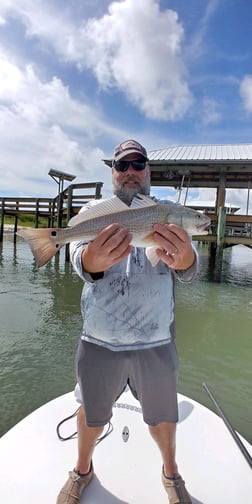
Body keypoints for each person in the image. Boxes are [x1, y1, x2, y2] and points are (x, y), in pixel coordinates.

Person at [57, 139, 197, 504]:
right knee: (91, 413)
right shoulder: (93, 212)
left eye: (139, 164)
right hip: (99, 341)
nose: (131, 171)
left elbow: (188, 265)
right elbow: (79, 262)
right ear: (113, 172)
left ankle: (171, 473)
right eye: (123, 165)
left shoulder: (167, 211)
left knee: (163, 416)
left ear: (148, 170)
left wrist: (183, 259)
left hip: (156, 341)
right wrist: (91, 259)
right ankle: (82, 470)